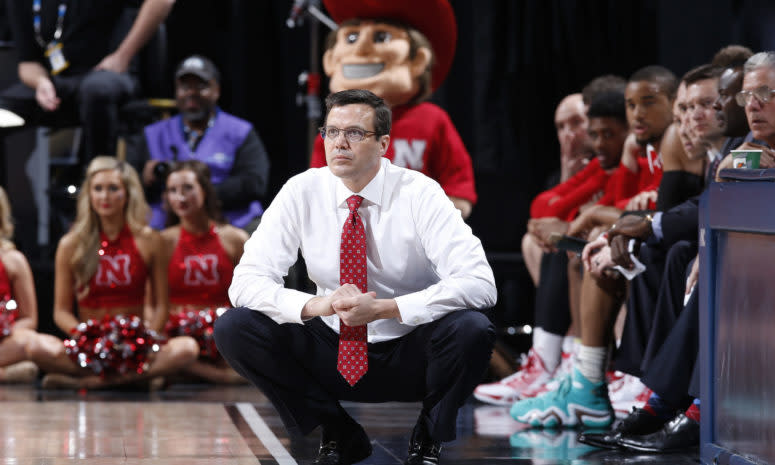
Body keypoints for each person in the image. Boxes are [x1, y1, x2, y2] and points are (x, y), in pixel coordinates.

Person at [214, 89, 496, 465]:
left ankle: (428, 435)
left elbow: (480, 284)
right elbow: (246, 282)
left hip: (408, 349)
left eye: (354, 133)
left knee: (472, 328)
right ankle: (338, 430)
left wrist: (387, 308)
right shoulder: (302, 190)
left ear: (383, 144)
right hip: (333, 343)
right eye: (331, 132)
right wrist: (317, 304)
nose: (339, 143)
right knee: (235, 327)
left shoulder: (421, 193)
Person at [510, 65, 677, 429]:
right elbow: (544, 211)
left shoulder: (670, 143)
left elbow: (655, 209)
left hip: (669, 243)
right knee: (576, 250)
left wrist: (594, 217)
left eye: (647, 103)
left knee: (595, 251)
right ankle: (576, 368)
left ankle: (608, 371)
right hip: (650, 238)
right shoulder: (636, 148)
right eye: (632, 106)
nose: (595, 141)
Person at [474, 90, 628, 407]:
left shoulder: (625, 160)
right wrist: (569, 173)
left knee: (572, 246)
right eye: (561, 127)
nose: (570, 134)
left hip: (623, 248)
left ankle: (570, 364)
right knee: (542, 243)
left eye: (578, 124)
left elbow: (617, 210)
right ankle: (557, 361)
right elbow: (542, 209)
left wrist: (580, 218)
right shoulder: (582, 167)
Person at [26, 157, 198, 389]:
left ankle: (92, 383)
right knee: (36, 347)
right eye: (97, 189)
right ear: (89, 194)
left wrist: (144, 339)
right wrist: (86, 336)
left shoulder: (150, 240)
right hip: (91, 345)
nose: (104, 197)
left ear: (128, 194)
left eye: (113, 188)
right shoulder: (70, 244)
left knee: (187, 348)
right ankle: (137, 380)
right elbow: (61, 312)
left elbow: (161, 307)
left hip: (135, 345)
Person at [308, 0, 477, 219]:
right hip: (353, 228)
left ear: (417, 60)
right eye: (351, 37)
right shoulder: (337, 124)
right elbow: (319, 186)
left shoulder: (431, 120)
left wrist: (443, 214)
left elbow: (457, 181)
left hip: (416, 229)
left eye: (381, 37)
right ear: (330, 60)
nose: (361, 48)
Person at [0, 0, 177, 159]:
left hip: (107, 75)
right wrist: (41, 82)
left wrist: (123, 55)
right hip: (55, 83)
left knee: (96, 90)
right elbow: (28, 64)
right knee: (3, 111)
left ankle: (99, 177)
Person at [126, 55, 270, 231]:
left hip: (229, 218)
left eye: (201, 86)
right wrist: (144, 178)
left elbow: (254, 183)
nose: (191, 93)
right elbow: (126, 185)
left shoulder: (240, 131)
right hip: (166, 222)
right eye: (185, 86)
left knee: (260, 234)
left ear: (216, 90)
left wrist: (202, 196)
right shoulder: (152, 134)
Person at [161, 160, 248, 384]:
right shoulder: (162, 241)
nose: (180, 197)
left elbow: (249, 298)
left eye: (188, 188)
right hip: (176, 333)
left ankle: (187, 371)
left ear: (205, 191)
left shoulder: (235, 238)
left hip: (221, 331)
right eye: (173, 190)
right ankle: (220, 377)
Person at [0, 186, 39, 383]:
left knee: (32, 342)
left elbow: (29, 319)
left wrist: (5, 330)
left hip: (4, 342)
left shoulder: (13, 259)